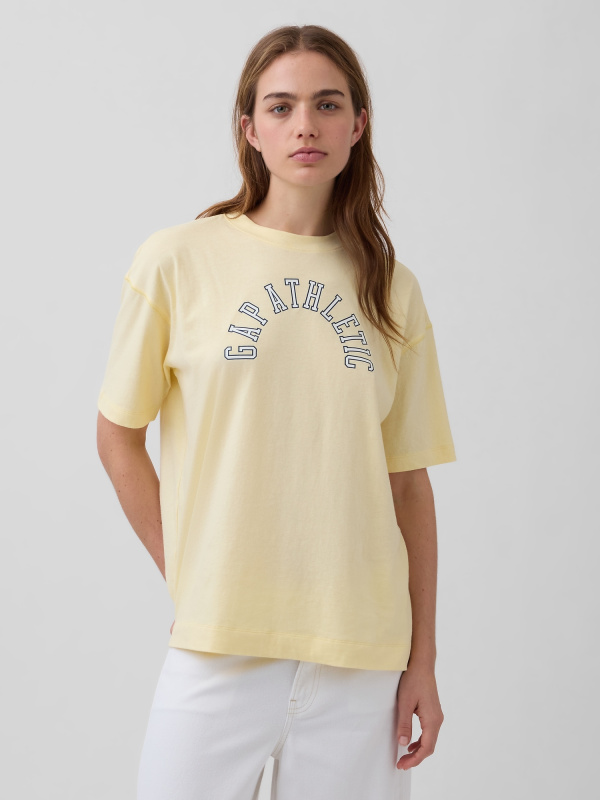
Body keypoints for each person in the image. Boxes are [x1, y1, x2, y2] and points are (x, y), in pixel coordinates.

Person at [96, 23, 456, 800]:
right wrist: (186, 571)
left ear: (358, 125)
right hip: (220, 644)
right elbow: (119, 436)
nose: (305, 126)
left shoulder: (393, 289)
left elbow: (408, 486)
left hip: (363, 659)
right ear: (249, 128)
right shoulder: (178, 261)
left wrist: (422, 659)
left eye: (328, 104)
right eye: (281, 106)